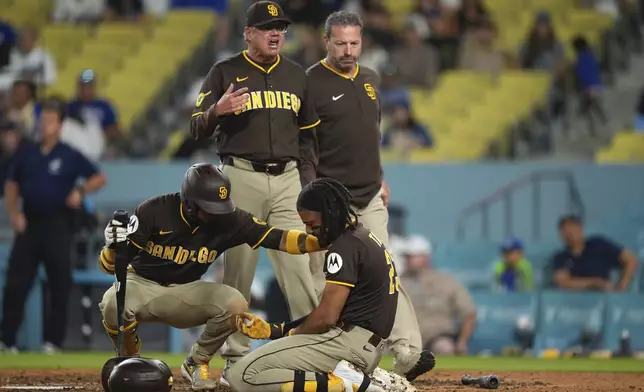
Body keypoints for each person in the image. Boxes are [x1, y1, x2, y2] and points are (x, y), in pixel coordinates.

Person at [97, 163, 326, 390]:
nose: (216, 213)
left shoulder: (229, 219)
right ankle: (130, 360)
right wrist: (111, 247)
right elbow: (110, 267)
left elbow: (279, 238)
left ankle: (196, 362)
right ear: (188, 201)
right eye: (208, 207)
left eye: (220, 206)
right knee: (110, 303)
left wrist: (320, 241)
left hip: (188, 291)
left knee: (235, 302)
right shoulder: (154, 210)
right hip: (142, 284)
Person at [189, 1, 322, 380]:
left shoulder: (297, 75)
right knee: (239, 271)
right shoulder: (225, 71)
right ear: (248, 33)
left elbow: (309, 135)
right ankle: (234, 358)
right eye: (267, 27)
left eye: (280, 27)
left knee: (298, 269)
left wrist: (308, 183)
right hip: (240, 178)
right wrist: (218, 110)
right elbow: (196, 126)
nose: (276, 33)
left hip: (287, 181)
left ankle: (313, 352)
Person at [305, 11, 435, 381]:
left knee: (386, 270)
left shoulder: (371, 79)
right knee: (325, 276)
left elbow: (370, 136)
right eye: (341, 42)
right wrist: (312, 197)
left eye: (355, 43)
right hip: (331, 201)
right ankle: (331, 353)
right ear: (327, 41)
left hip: (369, 194)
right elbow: (306, 147)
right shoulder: (310, 82)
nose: (348, 50)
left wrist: (382, 177)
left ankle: (407, 353)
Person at [227, 178, 413, 392]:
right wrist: (276, 330)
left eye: (312, 224)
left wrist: (291, 335)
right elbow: (334, 314)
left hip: (346, 344)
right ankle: (360, 379)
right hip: (364, 347)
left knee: (240, 376)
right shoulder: (362, 237)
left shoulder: (344, 249)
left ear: (330, 214)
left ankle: (351, 384)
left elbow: (326, 318)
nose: (309, 230)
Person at [0, 97, 106, 354]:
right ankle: (7, 341)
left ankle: (52, 343)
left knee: (60, 283)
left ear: (60, 125)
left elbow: (99, 177)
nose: (45, 125)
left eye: (50, 120)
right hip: (30, 224)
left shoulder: (69, 155)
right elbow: (12, 185)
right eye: (43, 120)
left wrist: (80, 191)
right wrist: (14, 213)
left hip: (58, 224)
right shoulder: (27, 153)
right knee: (16, 282)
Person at [552, 215, 639, 291]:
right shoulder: (561, 257)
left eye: (572, 230)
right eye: (565, 232)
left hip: (603, 299)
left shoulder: (598, 245)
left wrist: (622, 286)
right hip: (574, 303)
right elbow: (563, 282)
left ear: (580, 230)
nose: (569, 235)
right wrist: (595, 283)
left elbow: (632, 259)